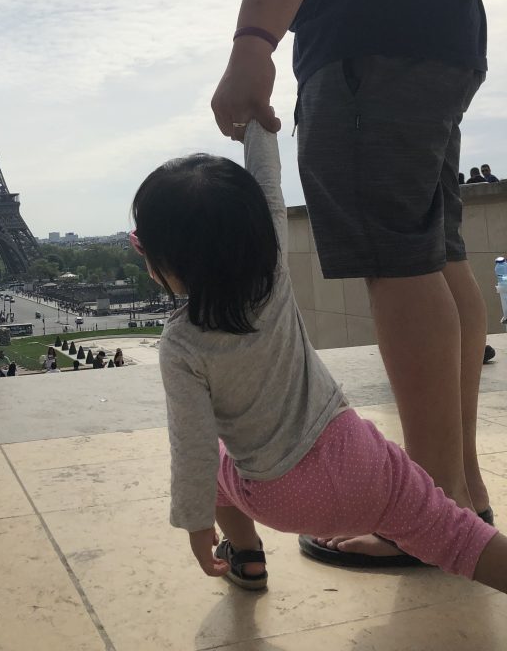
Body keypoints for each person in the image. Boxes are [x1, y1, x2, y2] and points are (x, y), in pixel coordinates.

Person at [140, 0, 492, 567]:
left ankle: (424, 516)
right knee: (435, 253)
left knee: (397, 263)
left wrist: (252, 46)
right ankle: (458, 490)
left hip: (372, 40)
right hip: (436, 29)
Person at [131, 121, 506, 592]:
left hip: (277, 496)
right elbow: (268, 186)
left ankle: (245, 556)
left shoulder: (181, 344)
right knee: (462, 539)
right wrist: (257, 128)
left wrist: (195, 522)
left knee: (217, 466)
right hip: (362, 464)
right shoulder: (272, 275)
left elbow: (193, 447)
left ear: (162, 260)